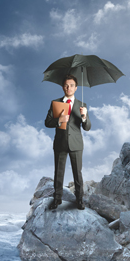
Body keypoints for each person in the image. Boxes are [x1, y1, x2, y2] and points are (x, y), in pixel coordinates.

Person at [45, 74, 91, 210]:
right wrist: (59, 119)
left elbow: (87, 127)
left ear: (76, 88)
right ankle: (57, 199)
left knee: (78, 173)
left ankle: (79, 200)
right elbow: (47, 122)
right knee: (58, 173)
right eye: (66, 85)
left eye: (71, 85)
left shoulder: (82, 105)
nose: (68, 87)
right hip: (60, 143)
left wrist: (84, 117)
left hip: (76, 144)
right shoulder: (55, 103)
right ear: (62, 87)